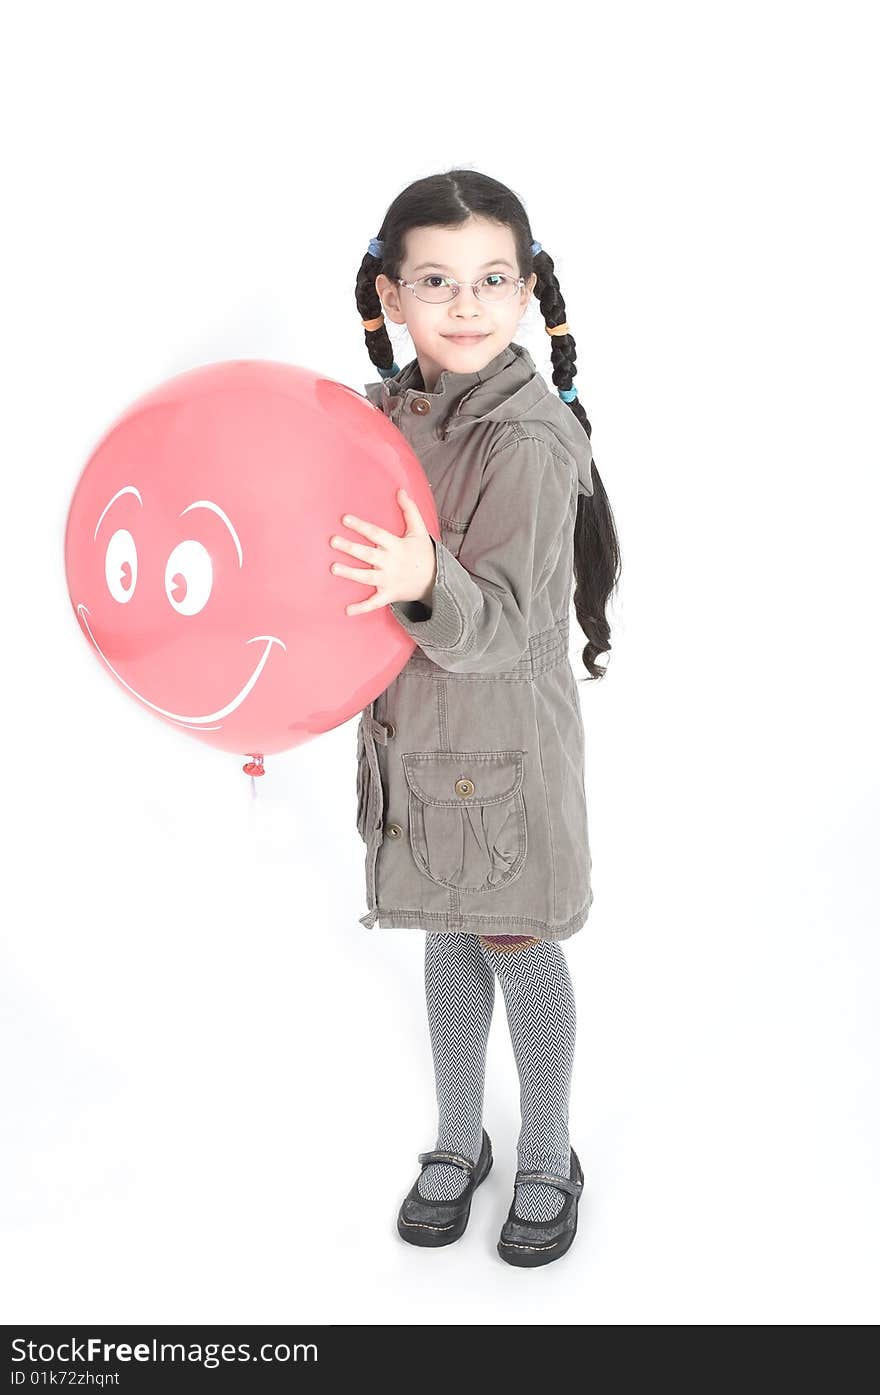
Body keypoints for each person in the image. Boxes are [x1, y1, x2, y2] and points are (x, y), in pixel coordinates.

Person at [337, 169, 620, 1267]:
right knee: (444, 928)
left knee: (515, 937)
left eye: (492, 278)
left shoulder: (531, 437)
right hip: (416, 734)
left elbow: (497, 627)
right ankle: (462, 1138)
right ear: (390, 298)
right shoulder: (387, 416)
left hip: (500, 748)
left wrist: (420, 572)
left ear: (527, 291)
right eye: (436, 280)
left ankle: (546, 1149)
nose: (465, 303)